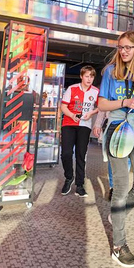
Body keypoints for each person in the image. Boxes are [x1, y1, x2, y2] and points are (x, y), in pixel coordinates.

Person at [94, 30, 134, 268]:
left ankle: (117, 214)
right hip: (117, 130)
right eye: (121, 47)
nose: (124, 51)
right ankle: (119, 246)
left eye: (129, 47)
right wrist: (124, 102)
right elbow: (101, 104)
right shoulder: (111, 72)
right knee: (120, 187)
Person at [59, 65, 99, 197]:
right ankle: (69, 177)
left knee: (81, 155)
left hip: (85, 125)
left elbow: (101, 106)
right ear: (81, 76)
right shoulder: (72, 89)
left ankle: (80, 185)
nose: (89, 79)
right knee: (66, 153)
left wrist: (91, 113)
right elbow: (63, 106)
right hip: (69, 123)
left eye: (92, 76)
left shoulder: (95, 91)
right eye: (87, 76)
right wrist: (71, 115)